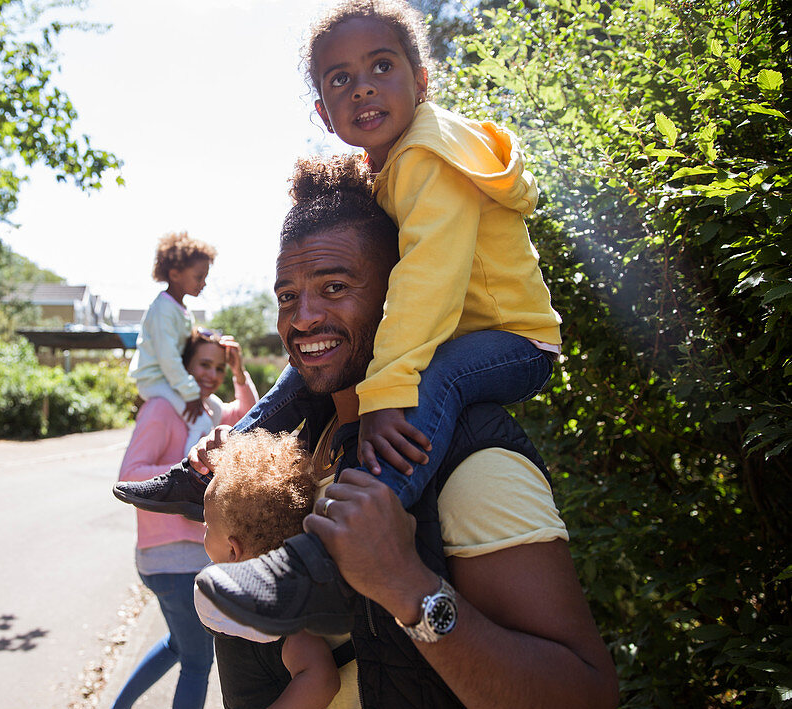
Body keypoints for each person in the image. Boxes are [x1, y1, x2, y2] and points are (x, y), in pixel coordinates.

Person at [189, 156, 617, 709]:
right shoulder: (311, 442)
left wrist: (407, 586)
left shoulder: (472, 465)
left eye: (335, 287)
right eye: (288, 296)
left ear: (403, 298)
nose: (303, 317)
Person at [115, 0, 560, 525]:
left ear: (421, 81)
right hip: (461, 333)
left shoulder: (428, 156)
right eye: (340, 78)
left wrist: (385, 394)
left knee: (433, 380)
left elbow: (427, 282)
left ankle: (362, 524)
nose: (363, 87)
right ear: (324, 113)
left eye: (381, 66)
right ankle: (214, 469)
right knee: (302, 374)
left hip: (513, 342)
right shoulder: (391, 165)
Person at [79, 330, 258, 709]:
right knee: (198, 663)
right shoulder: (163, 408)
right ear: (183, 365)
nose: (210, 374)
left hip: (191, 555)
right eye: (203, 365)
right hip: (168, 558)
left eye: (217, 366)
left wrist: (239, 370)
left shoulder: (211, 408)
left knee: (179, 645)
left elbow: (254, 415)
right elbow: (129, 476)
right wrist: (188, 471)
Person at [202, 430, 360, 709]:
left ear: (234, 550)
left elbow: (322, 679)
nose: (202, 529)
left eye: (208, 524)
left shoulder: (276, 606)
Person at [127, 231, 219, 455]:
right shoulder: (163, 309)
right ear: (175, 274)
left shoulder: (181, 309)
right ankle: (186, 475)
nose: (204, 283)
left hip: (169, 380)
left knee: (216, 409)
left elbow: (188, 346)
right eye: (199, 277)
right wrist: (191, 393)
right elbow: (168, 358)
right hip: (155, 380)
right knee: (202, 423)